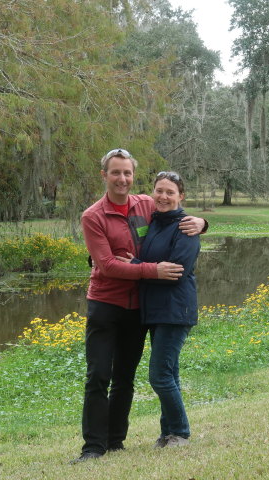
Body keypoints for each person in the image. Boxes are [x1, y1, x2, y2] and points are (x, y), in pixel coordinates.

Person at [72, 149, 206, 464]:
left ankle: (115, 441)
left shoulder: (145, 204)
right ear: (104, 175)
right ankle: (93, 447)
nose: (122, 179)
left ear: (133, 176)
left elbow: (175, 212)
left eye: (127, 173)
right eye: (115, 173)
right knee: (98, 375)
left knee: (125, 378)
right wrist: (151, 270)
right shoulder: (93, 216)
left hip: (137, 309)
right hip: (105, 304)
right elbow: (105, 265)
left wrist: (202, 222)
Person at [118, 171, 199, 448]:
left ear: (181, 196)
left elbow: (177, 271)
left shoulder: (186, 226)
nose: (163, 196)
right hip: (156, 310)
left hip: (176, 310)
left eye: (170, 192)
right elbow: (152, 263)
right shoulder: (155, 222)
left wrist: (136, 267)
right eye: (159, 191)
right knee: (170, 373)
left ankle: (181, 432)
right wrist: (139, 263)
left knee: (159, 375)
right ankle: (168, 434)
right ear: (153, 193)